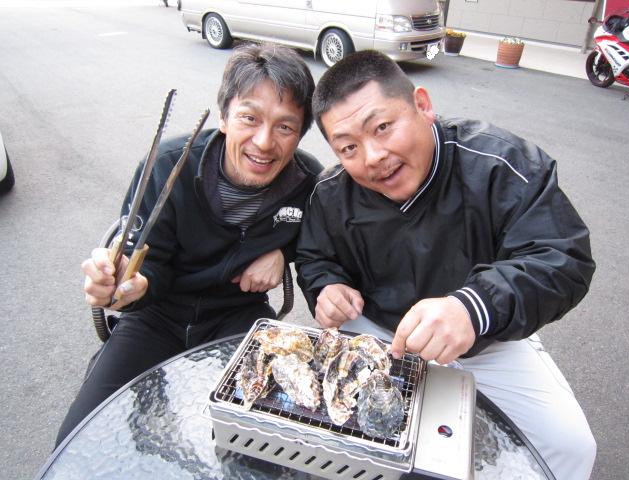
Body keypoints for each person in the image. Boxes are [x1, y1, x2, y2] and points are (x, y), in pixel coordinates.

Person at [296, 50, 596, 480]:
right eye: (349, 147)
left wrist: (473, 308)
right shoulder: (330, 193)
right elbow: (315, 257)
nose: (373, 156)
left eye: (382, 127)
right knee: (345, 434)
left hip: (485, 336)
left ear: (422, 105)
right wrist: (326, 287)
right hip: (380, 332)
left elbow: (561, 257)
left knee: (569, 446)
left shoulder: (500, 164)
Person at [55, 43, 322, 446]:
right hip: (155, 317)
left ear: (300, 134)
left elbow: (320, 250)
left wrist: (283, 253)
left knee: (259, 441)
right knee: (84, 435)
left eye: (285, 127)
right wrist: (129, 283)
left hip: (237, 316)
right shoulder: (167, 164)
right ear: (224, 117)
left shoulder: (308, 181)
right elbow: (145, 263)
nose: (265, 142)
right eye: (249, 118)